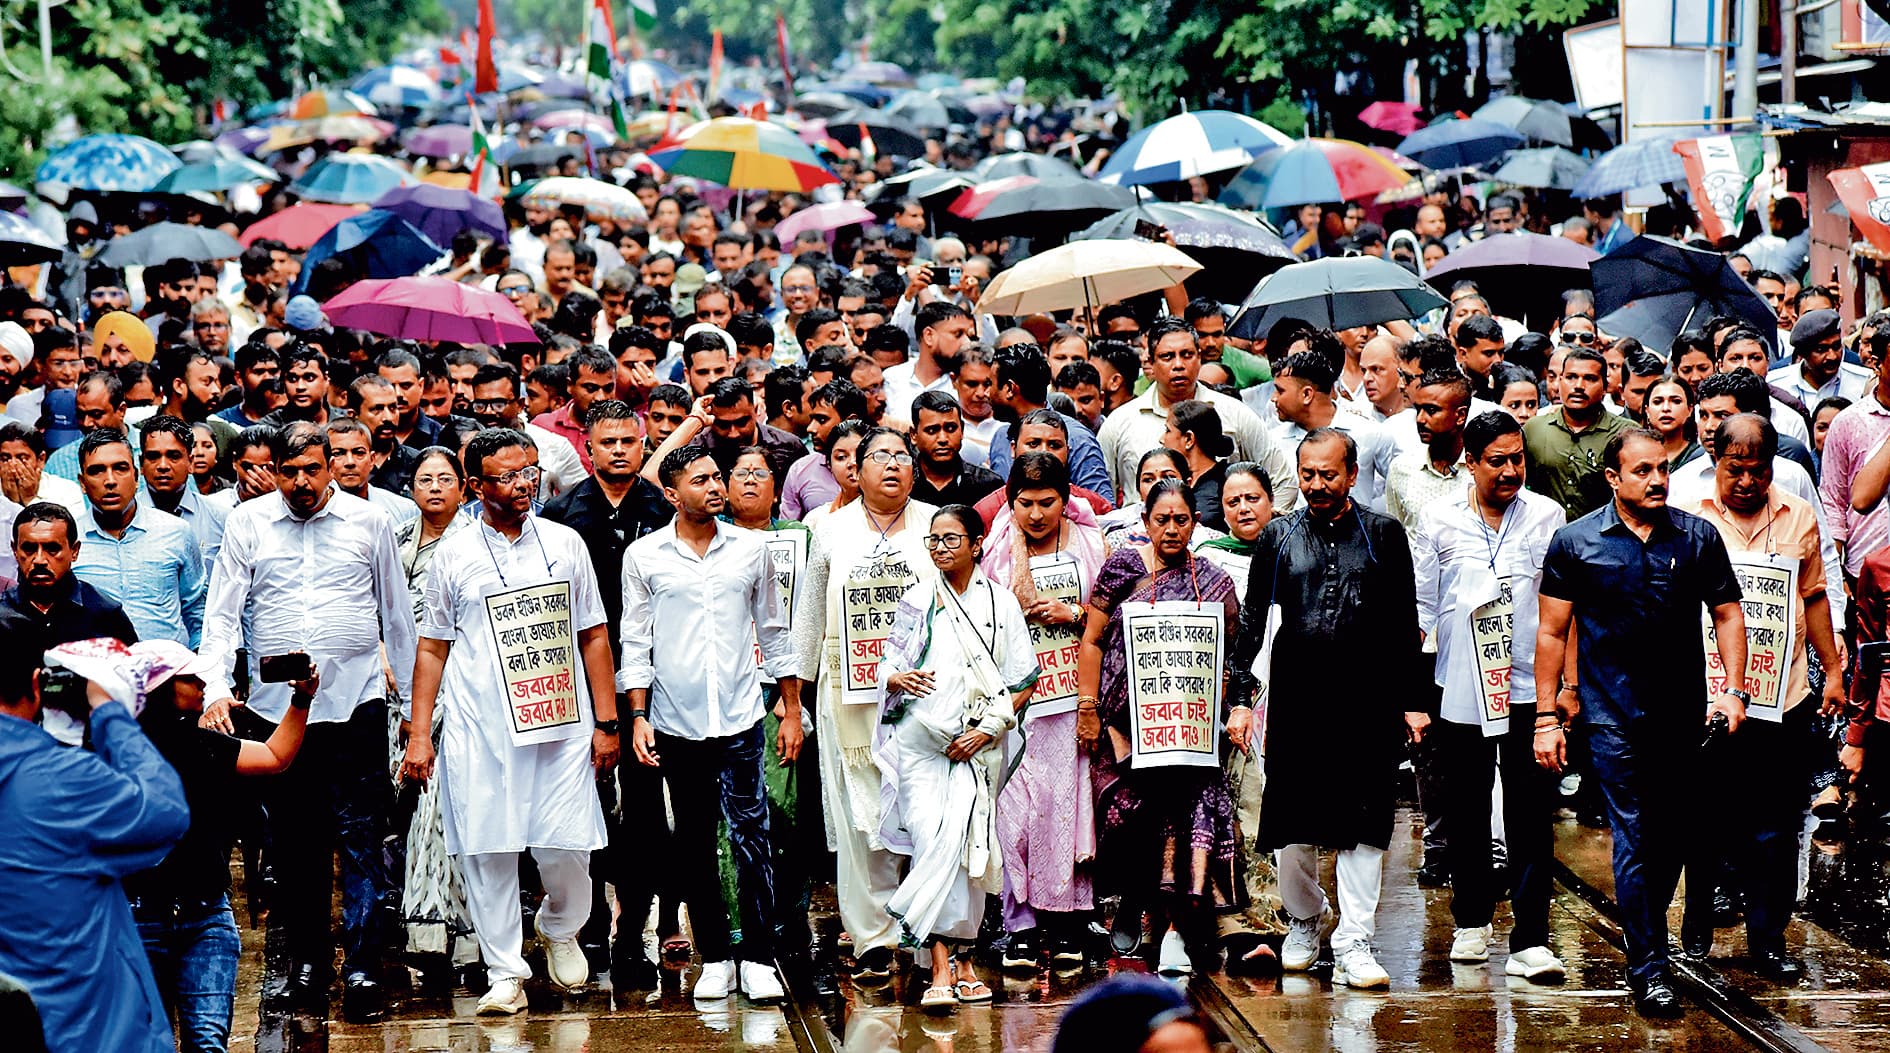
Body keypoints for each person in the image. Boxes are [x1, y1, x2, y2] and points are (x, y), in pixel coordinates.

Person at [196, 421, 417, 1021]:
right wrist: (216, 689)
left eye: (311, 470)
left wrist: (416, 717)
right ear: (273, 470)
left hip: (358, 704)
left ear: (331, 467)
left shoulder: (370, 522)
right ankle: (309, 965)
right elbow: (221, 617)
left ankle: (366, 967)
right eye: (288, 471)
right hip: (276, 719)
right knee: (296, 845)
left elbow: (397, 619)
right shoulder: (248, 523)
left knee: (364, 841)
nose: (300, 482)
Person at [398, 428, 621, 1015]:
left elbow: (594, 634)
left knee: (568, 844)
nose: (524, 484)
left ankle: (560, 926)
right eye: (508, 476)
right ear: (475, 486)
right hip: (482, 729)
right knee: (487, 849)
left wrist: (607, 722)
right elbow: (432, 648)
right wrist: (420, 734)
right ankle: (505, 972)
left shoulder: (566, 542)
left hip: (560, 724)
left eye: (529, 471)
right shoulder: (453, 553)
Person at [1533, 427, 1750, 1017]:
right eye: (1643, 470)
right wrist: (1547, 716)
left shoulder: (1698, 536)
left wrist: (1733, 690)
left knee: (1674, 837)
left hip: (1683, 715)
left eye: (1664, 468)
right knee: (1635, 833)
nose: (1658, 480)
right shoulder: (1574, 543)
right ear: (1613, 477)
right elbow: (1552, 632)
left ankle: (1646, 935)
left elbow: (1729, 615)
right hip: (1610, 717)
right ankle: (1649, 968)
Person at [1229, 429, 1424, 990]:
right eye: (1307, 474)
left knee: (1365, 824)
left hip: (1368, 700)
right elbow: (1252, 624)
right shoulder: (1277, 536)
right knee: (1293, 822)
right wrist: (1241, 699)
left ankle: (1356, 941)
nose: (1317, 485)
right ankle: (1304, 921)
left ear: (1353, 473)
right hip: (1298, 699)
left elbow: (1403, 623)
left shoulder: (1384, 534)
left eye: (1328, 475)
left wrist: (1413, 703)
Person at [618, 445, 801, 1003]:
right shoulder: (645, 556)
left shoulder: (751, 549)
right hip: (675, 720)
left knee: (752, 836)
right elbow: (636, 639)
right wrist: (639, 717)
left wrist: (790, 709)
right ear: (672, 494)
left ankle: (759, 957)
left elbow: (775, 630)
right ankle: (717, 956)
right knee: (694, 841)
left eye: (717, 476)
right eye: (701, 480)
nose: (716, 486)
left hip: (744, 717)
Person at [1674, 414, 1844, 981]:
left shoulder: (1797, 514)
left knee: (1774, 826)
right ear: (1714, 462)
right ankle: (1695, 932)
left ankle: (1768, 941)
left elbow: (1815, 595)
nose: (1747, 481)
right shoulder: (1690, 520)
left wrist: (1836, 672)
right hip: (1710, 701)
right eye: (1734, 469)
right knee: (1704, 820)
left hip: (1785, 696)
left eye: (1759, 470)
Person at [1411, 410, 1568, 980]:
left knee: (1530, 810)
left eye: (1517, 459)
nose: (1510, 471)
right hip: (1462, 684)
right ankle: (1472, 920)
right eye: (1496, 461)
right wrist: (1417, 695)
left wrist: (1564, 688)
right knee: (1467, 805)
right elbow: (1423, 610)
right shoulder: (1438, 520)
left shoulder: (1547, 516)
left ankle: (1531, 939)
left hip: (1529, 685)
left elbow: (1561, 606)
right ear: (1469, 463)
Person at [0, 613, 189, 1053]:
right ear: (35, 685)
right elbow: (164, 809)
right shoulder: (61, 782)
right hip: (94, 1031)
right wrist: (108, 713)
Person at [1079, 479, 1245, 976]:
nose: (1171, 529)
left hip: (1187, 731)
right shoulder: (1123, 568)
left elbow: (1229, 657)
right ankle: (1133, 899)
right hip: (1123, 727)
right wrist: (1089, 707)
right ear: (1145, 522)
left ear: (1195, 522)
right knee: (1129, 816)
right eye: (1161, 520)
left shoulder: (1213, 582)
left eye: (1182, 519)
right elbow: (1091, 639)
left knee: (1180, 820)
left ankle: (1172, 928)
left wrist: (1223, 708)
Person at [793, 428, 938, 981]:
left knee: (925, 808)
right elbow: (807, 620)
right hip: (849, 699)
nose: (893, 467)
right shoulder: (826, 529)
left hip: (926, 694)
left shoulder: (933, 524)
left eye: (903, 457)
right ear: (855, 467)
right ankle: (872, 936)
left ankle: (925, 932)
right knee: (862, 818)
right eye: (880, 457)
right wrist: (793, 701)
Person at [878, 504, 1036, 1008]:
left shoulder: (1001, 605)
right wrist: (896, 678)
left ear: (977, 542)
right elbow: (890, 663)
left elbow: (1021, 681)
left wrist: (987, 731)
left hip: (977, 747)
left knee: (971, 851)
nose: (942, 548)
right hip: (922, 745)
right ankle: (940, 967)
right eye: (934, 540)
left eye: (951, 539)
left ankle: (966, 961)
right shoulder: (917, 598)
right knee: (932, 842)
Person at [126, 640, 315, 1053]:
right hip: (138, 918)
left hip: (205, 915)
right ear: (162, 687)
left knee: (208, 1044)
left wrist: (301, 700)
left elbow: (273, 756)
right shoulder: (116, 752)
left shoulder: (204, 744)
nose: (201, 685)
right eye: (192, 678)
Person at [978, 454, 1109, 969]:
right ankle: (1020, 924)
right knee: (1013, 813)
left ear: (1065, 500)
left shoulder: (1089, 544)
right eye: (1025, 504)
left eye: (1047, 503)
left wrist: (1073, 614)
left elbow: (1111, 615)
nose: (1035, 515)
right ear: (1011, 502)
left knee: (1064, 811)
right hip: (1017, 703)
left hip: (1071, 699)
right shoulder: (994, 549)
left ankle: (1067, 919)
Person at [388, 447, 479, 986]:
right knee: (407, 812)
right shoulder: (395, 542)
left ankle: (459, 934)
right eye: (426, 479)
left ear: (464, 488)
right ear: (411, 488)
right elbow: (378, 608)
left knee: (446, 811)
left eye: (446, 479)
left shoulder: (474, 544)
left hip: (459, 687)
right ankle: (426, 928)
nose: (436, 488)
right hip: (398, 689)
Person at [1098, 319, 1293, 510]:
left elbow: (1284, 482)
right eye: (1167, 356)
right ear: (1150, 363)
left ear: (1199, 358)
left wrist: (1258, 532)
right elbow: (1101, 502)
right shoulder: (1120, 422)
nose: (1178, 365)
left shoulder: (1235, 413)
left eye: (1187, 355)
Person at [72, 429, 206, 648]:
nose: (110, 481)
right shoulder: (69, 540)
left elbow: (196, 609)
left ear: (136, 477)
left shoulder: (176, 532)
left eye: (120, 468)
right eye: (97, 471)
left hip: (169, 673)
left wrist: (198, 666)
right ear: (83, 483)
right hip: (97, 675)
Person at [1523, 346, 1630, 520]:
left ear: (1605, 387)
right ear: (1560, 381)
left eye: (1589, 378)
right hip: (1543, 537)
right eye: (1571, 377)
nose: (1579, 386)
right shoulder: (1534, 429)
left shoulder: (1626, 434)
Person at [139, 415, 227, 567]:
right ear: (141, 464)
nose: (163, 466)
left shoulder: (220, 518)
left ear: (190, 463)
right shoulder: (123, 519)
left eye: (173, 456)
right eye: (153, 457)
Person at [909, 389, 1002, 507]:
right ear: (913, 434)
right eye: (932, 430)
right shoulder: (903, 483)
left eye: (951, 428)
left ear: (962, 430)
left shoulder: (989, 486)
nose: (943, 439)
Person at [1161, 400, 1232, 529]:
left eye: (1168, 430)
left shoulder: (1228, 482)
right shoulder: (1172, 479)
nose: (1161, 439)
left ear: (1189, 439)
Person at [1643, 376, 1702, 471]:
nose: (1666, 408)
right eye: (1658, 402)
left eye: (1676, 401)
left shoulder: (1701, 457)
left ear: (1690, 409)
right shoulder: (1635, 456)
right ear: (1647, 411)